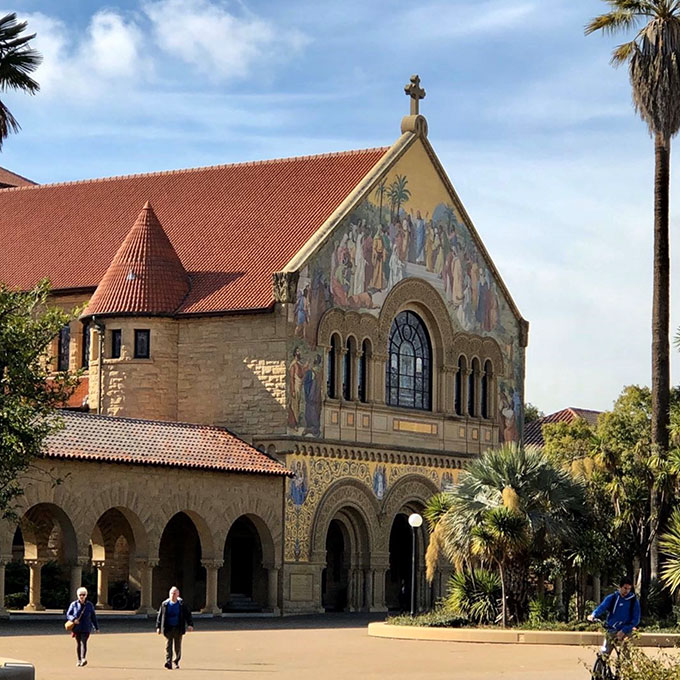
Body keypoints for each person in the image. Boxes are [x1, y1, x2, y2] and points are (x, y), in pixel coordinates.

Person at [588, 577, 640, 655]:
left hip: (626, 630)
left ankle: (624, 665)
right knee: (604, 653)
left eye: (629, 589)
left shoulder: (633, 601)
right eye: (625, 588)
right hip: (612, 629)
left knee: (626, 654)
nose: (627, 591)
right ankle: (601, 666)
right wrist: (593, 615)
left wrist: (624, 630)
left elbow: (636, 619)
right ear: (620, 587)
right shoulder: (612, 598)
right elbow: (602, 607)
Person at [156, 586, 194, 670]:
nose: (173, 595)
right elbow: (160, 616)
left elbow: (188, 615)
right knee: (168, 645)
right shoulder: (165, 604)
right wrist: (158, 627)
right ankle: (168, 662)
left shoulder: (182, 604)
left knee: (177, 646)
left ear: (178, 594)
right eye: (171, 593)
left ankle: (176, 661)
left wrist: (190, 624)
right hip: (168, 628)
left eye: (174, 593)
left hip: (178, 627)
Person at [66, 586, 100, 667]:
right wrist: (74, 619)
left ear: (86, 595)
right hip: (76, 627)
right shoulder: (74, 604)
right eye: (80, 595)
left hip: (86, 627)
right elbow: (68, 614)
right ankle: (79, 659)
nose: (82, 596)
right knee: (78, 643)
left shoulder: (89, 605)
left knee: (84, 642)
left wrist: (96, 627)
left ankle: (83, 658)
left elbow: (93, 617)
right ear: (78, 595)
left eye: (84, 595)